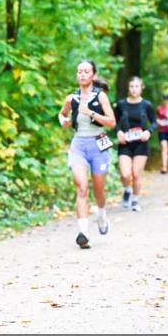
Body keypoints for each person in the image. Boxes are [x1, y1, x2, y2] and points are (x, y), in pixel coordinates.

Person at [58, 61, 117, 249]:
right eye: (79, 72)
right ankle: (83, 233)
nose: (82, 74)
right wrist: (64, 120)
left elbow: (112, 123)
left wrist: (91, 112)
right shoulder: (71, 98)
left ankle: (101, 215)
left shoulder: (101, 97)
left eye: (86, 71)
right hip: (79, 145)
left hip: (98, 144)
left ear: (93, 75)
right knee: (82, 188)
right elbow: (61, 114)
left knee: (99, 190)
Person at [114, 77, 157, 211]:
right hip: (125, 143)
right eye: (131, 86)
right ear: (128, 88)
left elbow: (155, 122)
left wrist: (149, 132)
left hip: (141, 143)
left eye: (137, 86)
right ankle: (127, 190)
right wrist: (118, 132)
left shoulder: (147, 105)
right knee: (126, 174)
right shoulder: (121, 104)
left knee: (136, 174)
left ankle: (135, 200)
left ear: (141, 88)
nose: (134, 89)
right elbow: (113, 122)